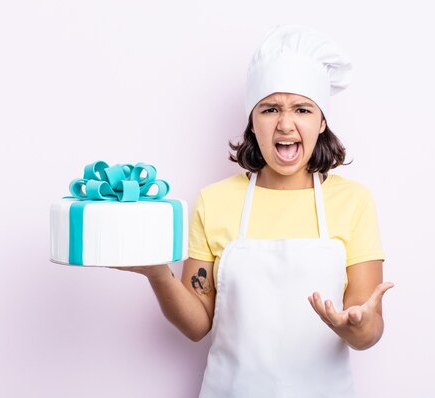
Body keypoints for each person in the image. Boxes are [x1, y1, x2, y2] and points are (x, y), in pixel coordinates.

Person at [115, 24, 394, 397]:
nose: (285, 123)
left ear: (321, 121)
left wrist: (354, 326)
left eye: (302, 108)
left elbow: (367, 328)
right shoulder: (214, 201)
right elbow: (198, 324)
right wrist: (158, 275)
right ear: (253, 120)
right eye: (270, 108)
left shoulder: (353, 202)